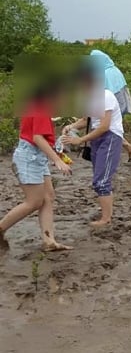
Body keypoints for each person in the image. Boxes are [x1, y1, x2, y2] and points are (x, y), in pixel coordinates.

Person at [0, 84, 73, 252]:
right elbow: (38, 138)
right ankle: (1, 227)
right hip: (28, 158)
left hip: (35, 156)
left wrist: (58, 155)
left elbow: (39, 139)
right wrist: (56, 160)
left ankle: (49, 241)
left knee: (48, 197)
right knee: (34, 201)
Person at [62, 69, 124, 228]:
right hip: (97, 139)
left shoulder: (106, 96)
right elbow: (86, 120)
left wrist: (80, 140)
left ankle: (106, 219)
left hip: (109, 137)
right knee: (100, 178)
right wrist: (71, 126)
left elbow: (104, 126)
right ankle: (106, 212)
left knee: (101, 180)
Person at [90, 50, 131, 161]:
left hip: (111, 105)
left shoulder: (104, 73)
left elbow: (104, 94)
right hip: (119, 103)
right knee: (113, 128)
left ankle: (124, 147)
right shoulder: (115, 70)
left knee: (109, 129)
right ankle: (127, 147)